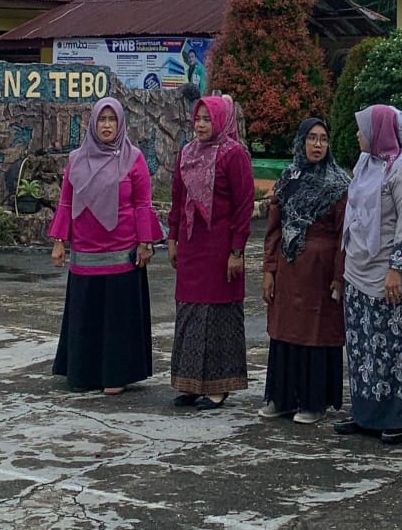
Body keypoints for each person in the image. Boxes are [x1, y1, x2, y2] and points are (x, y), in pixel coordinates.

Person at [49, 97, 163, 395]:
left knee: (116, 318)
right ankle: (83, 373)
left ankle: (116, 375)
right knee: (86, 315)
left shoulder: (133, 158)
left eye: (112, 119)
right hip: (85, 254)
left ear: (120, 123)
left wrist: (145, 242)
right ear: (93, 123)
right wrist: (59, 241)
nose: (107, 125)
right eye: (102, 119)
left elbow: (142, 203)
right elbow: (66, 202)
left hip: (122, 255)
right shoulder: (76, 159)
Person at [335, 105, 402, 445]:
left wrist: (395, 269)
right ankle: (366, 414)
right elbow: (354, 213)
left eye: (363, 129)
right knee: (363, 346)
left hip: (391, 272)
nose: (357, 134)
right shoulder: (365, 164)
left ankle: (399, 418)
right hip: (360, 268)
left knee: (396, 347)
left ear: (380, 133)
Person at [260, 117, 351, 424]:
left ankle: (314, 402)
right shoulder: (288, 178)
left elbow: (344, 234)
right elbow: (274, 228)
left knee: (316, 333)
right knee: (284, 331)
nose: (317, 144)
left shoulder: (339, 184)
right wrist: (269, 269)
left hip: (320, 273)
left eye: (323, 139)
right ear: (301, 142)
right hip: (289, 268)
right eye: (311, 138)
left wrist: (339, 276)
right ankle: (282, 398)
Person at [167, 95, 255, 409]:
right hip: (192, 248)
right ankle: (190, 384)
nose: (201, 125)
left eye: (208, 119)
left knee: (218, 316)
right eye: (198, 119)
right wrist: (173, 238)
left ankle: (219, 387)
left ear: (220, 120)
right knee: (190, 313)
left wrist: (236, 251)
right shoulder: (187, 153)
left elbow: (243, 207)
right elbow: (178, 200)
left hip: (221, 250)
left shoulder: (234, 155)